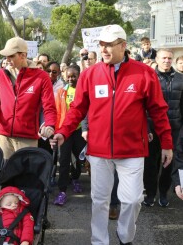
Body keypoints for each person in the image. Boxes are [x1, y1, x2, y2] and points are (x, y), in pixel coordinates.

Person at [50, 24, 173, 245]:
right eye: (102, 45)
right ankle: (99, 241)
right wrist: (63, 132)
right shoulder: (90, 74)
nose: (104, 49)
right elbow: (77, 108)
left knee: (133, 200)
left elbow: (158, 110)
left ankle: (125, 237)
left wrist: (167, 143)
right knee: (99, 201)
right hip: (98, 150)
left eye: (110, 45)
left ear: (123, 46)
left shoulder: (144, 73)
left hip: (132, 149)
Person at [0, 37, 57, 159]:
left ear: (23, 56)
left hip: (27, 138)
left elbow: (49, 107)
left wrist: (50, 125)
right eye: (6, 56)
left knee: (25, 177)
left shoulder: (42, 77)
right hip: (2, 136)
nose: (7, 59)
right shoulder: (0, 74)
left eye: (11, 56)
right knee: (4, 176)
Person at [143, 49, 183, 207]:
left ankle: (164, 193)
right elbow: (142, 107)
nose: (166, 60)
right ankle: (150, 194)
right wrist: (145, 128)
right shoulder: (148, 78)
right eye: (163, 58)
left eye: (169, 58)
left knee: (168, 164)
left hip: (174, 128)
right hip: (153, 128)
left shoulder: (181, 79)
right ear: (157, 59)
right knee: (151, 164)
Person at [54, 65, 86, 206]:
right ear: (65, 76)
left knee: (81, 158)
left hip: (79, 130)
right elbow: (57, 112)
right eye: (69, 76)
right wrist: (57, 130)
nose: (71, 78)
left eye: (74, 75)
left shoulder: (84, 91)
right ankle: (62, 191)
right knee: (64, 160)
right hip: (65, 131)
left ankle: (76, 178)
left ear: (79, 75)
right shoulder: (61, 92)